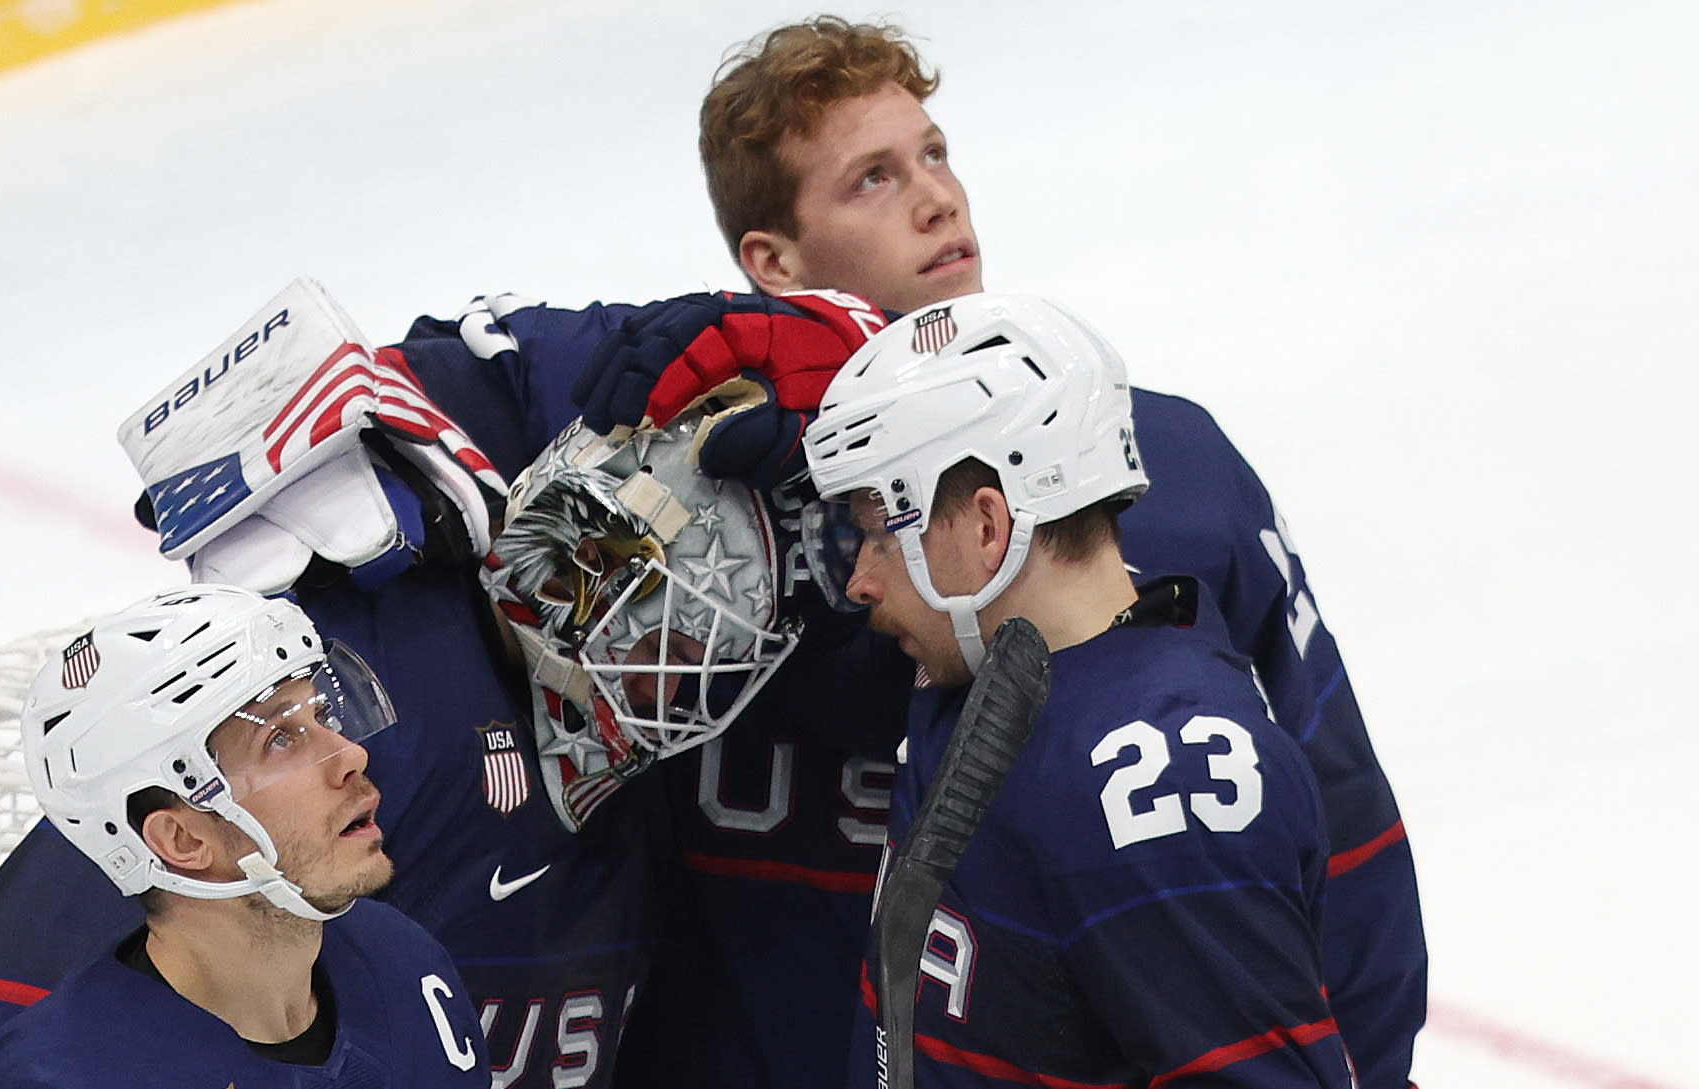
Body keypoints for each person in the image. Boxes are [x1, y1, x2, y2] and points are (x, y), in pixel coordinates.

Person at [576, 17, 1425, 1089]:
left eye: (933, 153)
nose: (938, 198)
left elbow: (1343, 825)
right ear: (772, 262)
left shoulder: (1175, 470)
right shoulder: (696, 503)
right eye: (872, 180)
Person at [0, 283, 819, 1089]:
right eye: (679, 607)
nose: (710, 648)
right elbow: (61, 939)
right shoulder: (388, 686)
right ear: (574, 574)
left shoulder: (411, 960)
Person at [805, 292, 1354, 1087]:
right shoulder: (979, 667)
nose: (859, 579)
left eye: (882, 529)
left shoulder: (1159, 790)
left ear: (988, 527)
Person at [0, 585, 488, 1088]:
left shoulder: (401, 959)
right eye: (280, 739)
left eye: (322, 716)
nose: (351, 755)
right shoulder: (57, 1077)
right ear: (181, 840)